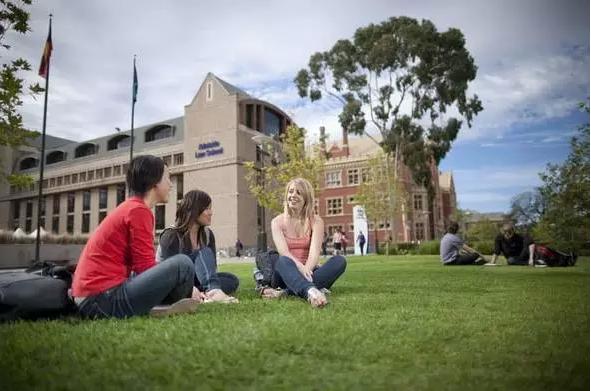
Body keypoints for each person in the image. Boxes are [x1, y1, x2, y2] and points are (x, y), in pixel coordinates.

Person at [71, 155, 201, 319]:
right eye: (167, 178)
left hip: (94, 297)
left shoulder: (132, 207)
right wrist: (187, 287)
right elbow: (145, 268)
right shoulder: (138, 211)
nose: (171, 184)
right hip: (101, 300)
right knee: (183, 264)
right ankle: (171, 305)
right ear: (154, 181)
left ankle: (174, 301)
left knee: (190, 271)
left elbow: (140, 267)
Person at [265, 178, 347, 308]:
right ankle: (311, 290)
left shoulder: (316, 221)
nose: (293, 195)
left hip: (309, 271)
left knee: (340, 261)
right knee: (283, 260)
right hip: (285, 272)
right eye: (290, 191)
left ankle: (287, 292)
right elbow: (284, 252)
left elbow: (314, 254)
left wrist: (307, 270)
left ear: (306, 198)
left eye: (299, 192)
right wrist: (301, 269)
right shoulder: (277, 222)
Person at [157, 190, 239, 303]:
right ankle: (212, 291)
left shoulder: (208, 234)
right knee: (202, 252)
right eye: (207, 208)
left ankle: (206, 292)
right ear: (194, 210)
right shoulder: (171, 235)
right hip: (173, 283)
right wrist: (190, 288)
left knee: (231, 280)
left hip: (200, 279)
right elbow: (170, 273)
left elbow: (212, 268)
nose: (211, 212)